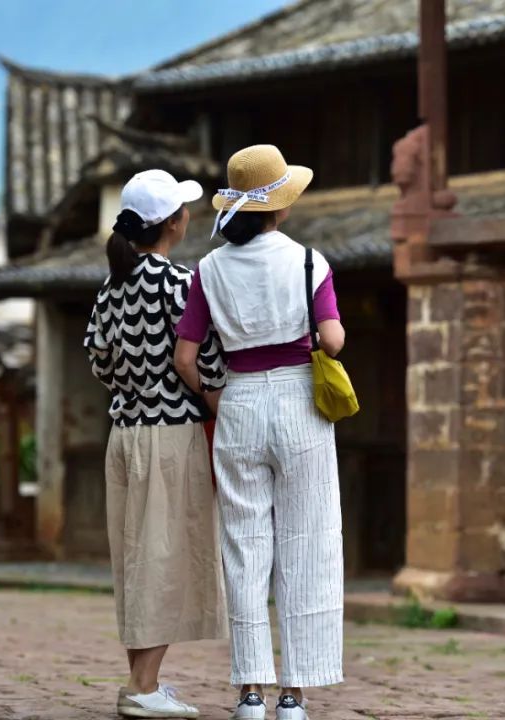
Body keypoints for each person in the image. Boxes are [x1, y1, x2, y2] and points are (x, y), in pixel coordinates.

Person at [174, 145, 345, 720]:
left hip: (240, 402)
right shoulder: (308, 263)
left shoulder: (209, 269)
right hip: (300, 400)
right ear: (281, 206)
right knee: (306, 539)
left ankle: (250, 690)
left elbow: (185, 356)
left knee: (244, 546)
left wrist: (213, 395)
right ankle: (294, 694)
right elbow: (333, 338)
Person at [85, 169, 227, 719]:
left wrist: (133, 386)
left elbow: (97, 357)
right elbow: (205, 361)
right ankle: (143, 688)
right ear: (173, 222)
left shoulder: (110, 285)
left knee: (136, 560)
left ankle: (142, 681)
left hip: (124, 435)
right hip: (171, 436)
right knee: (164, 558)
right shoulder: (179, 282)